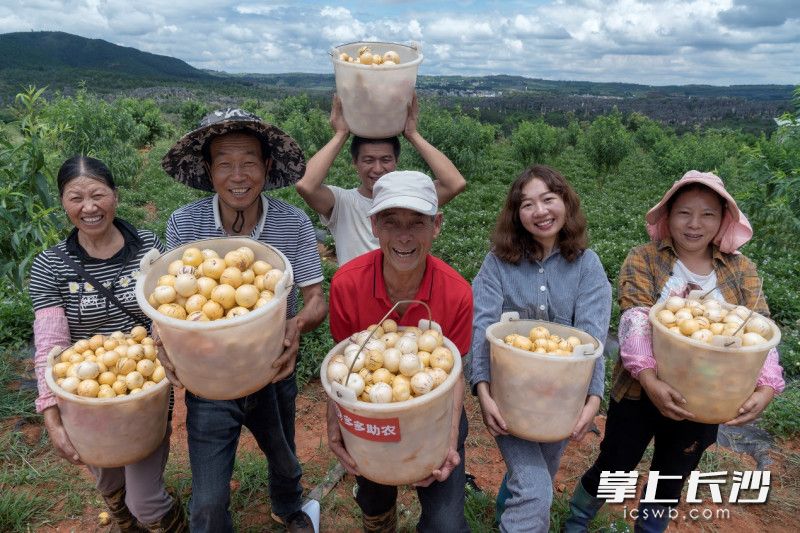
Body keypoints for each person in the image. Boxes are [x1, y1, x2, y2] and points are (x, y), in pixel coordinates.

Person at [565, 170, 785, 533]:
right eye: (684, 212)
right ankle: (577, 520)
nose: (695, 224)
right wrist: (650, 380)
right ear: (668, 216)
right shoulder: (644, 259)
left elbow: (760, 327)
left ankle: (648, 529)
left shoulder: (741, 269)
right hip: (639, 393)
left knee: (671, 475)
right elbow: (635, 318)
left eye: (708, 214)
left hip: (707, 399)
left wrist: (766, 386)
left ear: (723, 220)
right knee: (615, 464)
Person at [159, 108, 327, 532]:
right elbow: (167, 303)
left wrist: (296, 326)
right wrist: (162, 340)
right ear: (208, 169)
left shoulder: (291, 222)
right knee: (209, 507)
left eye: (250, 161)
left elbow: (315, 300)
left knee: (285, 459)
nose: (239, 175)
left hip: (272, 369)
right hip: (209, 377)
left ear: (267, 168)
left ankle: (288, 505)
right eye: (225, 163)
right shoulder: (186, 225)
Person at [29, 155, 186, 532]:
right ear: (63, 203)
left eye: (98, 194)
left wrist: (167, 348)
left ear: (115, 196)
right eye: (75, 198)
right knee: (110, 486)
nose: (89, 207)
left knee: (145, 500)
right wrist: (52, 416)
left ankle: (166, 521)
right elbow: (50, 343)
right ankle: (124, 522)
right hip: (86, 398)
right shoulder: (50, 266)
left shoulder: (149, 247)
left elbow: (167, 312)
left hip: (144, 391)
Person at [327, 170, 473, 532]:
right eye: (391, 222)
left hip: (436, 413)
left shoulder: (456, 293)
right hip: (370, 415)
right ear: (374, 225)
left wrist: (449, 441)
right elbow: (342, 365)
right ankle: (380, 519)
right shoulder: (347, 283)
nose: (404, 236)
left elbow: (453, 378)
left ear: (436, 225)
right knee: (374, 496)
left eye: (418, 223)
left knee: (446, 525)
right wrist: (336, 423)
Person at [470, 165, 611, 532]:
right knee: (535, 489)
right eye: (528, 204)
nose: (540, 211)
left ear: (566, 203)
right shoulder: (497, 264)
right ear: (517, 215)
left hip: (561, 402)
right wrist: (483, 392)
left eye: (549, 199)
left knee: (539, 478)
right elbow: (482, 327)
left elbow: (592, 340)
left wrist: (592, 401)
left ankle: (507, 514)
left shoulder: (588, 266)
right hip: (509, 399)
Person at [295, 94, 466, 266]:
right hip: (355, 290)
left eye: (385, 160)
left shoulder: (410, 200)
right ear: (355, 162)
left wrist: (413, 134)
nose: (377, 169)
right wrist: (341, 134)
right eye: (368, 160)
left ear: (396, 161)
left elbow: (455, 184)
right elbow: (306, 186)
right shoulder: (342, 202)